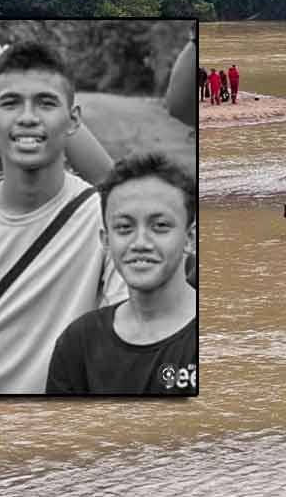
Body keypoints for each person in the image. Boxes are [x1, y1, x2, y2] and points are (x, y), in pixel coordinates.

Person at [0, 41, 127, 395]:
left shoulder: (103, 219)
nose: (27, 117)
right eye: (10, 103)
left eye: (45, 103)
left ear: (75, 120)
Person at [46, 153, 198, 395]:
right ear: (106, 240)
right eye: (124, 228)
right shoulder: (79, 342)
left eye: (160, 226)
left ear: (190, 238)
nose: (140, 242)